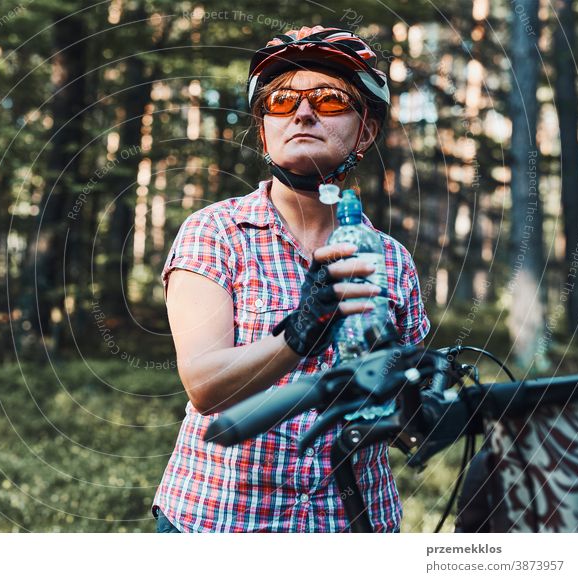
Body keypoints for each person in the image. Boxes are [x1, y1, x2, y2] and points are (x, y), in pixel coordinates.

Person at [151, 26, 430, 533]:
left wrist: (417, 395)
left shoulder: (393, 261)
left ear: (365, 130)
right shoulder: (216, 232)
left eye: (329, 100)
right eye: (281, 103)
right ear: (264, 131)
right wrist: (301, 329)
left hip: (351, 523)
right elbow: (204, 387)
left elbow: (408, 427)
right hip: (221, 522)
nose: (302, 113)